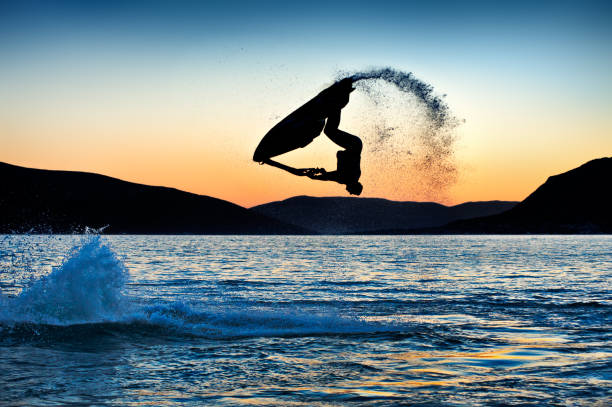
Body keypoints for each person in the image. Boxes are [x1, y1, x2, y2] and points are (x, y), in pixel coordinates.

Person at [258, 78, 363, 195]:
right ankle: (337, 103)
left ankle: (338, 102)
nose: (348, 192)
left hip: (355, 144)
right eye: (351, 192)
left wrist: (316, 174)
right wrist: (314, 176)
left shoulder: (349, 177)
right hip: (353, 145)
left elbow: (330, 176)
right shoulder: (347, 178)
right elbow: (329, 177)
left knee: (329, 131)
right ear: (354, 187)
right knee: (329, 131)